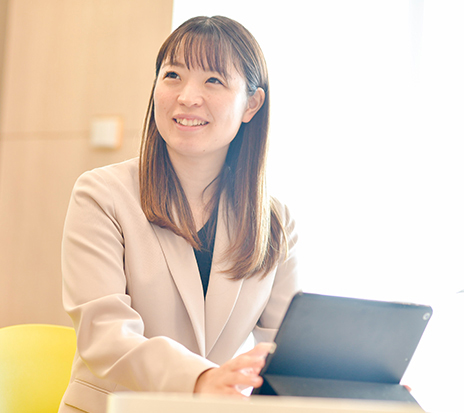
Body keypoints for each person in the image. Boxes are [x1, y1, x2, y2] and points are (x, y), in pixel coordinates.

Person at [59, 15, 299, 413]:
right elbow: (105, 334)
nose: (187, 97)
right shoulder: (101, 194)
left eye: (214, 81)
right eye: (173, 75)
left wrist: (346, 383)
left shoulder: (274, 221)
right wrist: (202, 380)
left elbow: (286, 346)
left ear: (252, 104)